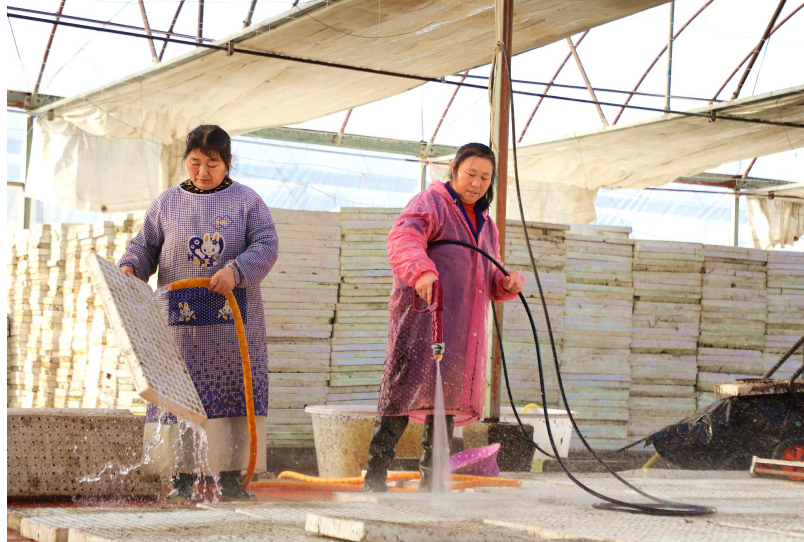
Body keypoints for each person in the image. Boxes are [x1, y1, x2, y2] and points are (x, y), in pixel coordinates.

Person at [119, 125, 278, 502]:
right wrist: (130, 267)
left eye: (212, 164)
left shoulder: (247, 201)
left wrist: (235, 271)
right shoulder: (167, 203)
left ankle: (234, 480)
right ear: (185, 161)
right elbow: (145, 246)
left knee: (234, 395)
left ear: (227, 164)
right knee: (181, 397)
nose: (202, 172)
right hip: (180, 328)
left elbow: (267, 245)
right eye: (195, 163)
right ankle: (182, 480)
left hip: (233, 324)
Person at [364, 142, 525, 492]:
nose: (477, 183)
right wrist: (421, 271)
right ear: (453, 171)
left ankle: (431, 483)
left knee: (446, 404)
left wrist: (506, 280)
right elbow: (403, 237)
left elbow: (487, 275)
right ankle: (374, 478)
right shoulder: (431, 202)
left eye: (485, 177)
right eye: (471, 173)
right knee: (400, 396)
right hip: (422, 318)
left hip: (461, 327)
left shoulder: (486, 223)